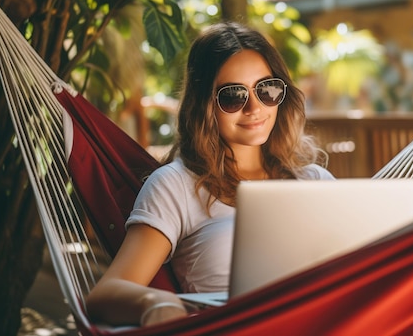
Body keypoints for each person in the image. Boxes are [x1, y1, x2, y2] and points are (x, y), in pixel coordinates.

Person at [85, 21, 334, 327]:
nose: (255, 107)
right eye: (233, 96)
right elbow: (105, 294)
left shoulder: (315, 182)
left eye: (267, 89)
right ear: (205, 105)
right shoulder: (177, 186)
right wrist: (159, 302)